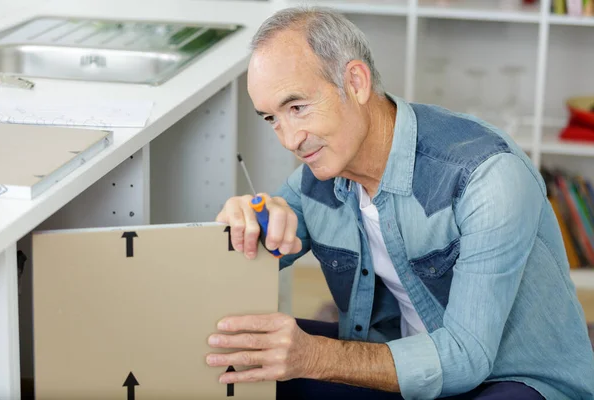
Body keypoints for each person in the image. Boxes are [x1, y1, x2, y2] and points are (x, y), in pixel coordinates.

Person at [205, 6, 594, 400]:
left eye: (297, 107)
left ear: (355, 82)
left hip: (512, 380)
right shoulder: (319, 177)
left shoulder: (485, 176)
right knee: (240, 355)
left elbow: (466, 357)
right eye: (272, 118)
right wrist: (239, 227)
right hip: (403, 367)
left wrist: (313, 356)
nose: (290, 140)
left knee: (300, 356)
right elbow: (229, 269)